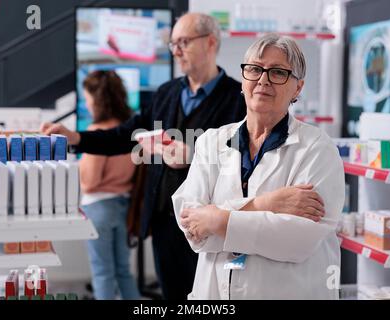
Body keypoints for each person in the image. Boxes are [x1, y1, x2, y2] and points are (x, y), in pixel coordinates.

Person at [41, 13, 246, 300]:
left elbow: (246, 155)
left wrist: (195, 155)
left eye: (183, 43)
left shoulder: (238, 99)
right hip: (165, 218)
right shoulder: (167, 93)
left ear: (211, 42)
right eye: (173, 44)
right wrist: (77, 138)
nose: (176, 52)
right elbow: (124, 135)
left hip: (211, 221)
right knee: (173, 293)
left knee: (212, 296)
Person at [172, 33, 345, 299]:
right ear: (243, 80)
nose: (263, 79)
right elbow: (192, 228)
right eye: (254, 69)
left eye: (277, 72)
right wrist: (267, 204)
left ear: (297, 87)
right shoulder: (210, 142)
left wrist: (217, 219)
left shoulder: (317, 150)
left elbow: (297, 241)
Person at [79, 70, 140, 300]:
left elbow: (90, 182)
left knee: (102, 273)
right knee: (124, 272)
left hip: (98, 209)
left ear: (98, 99)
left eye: (87, 98)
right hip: (123, 207)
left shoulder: (97, 133)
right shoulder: (126, 131)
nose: (86, 104)